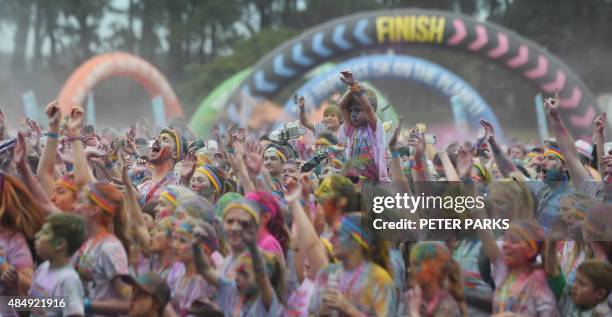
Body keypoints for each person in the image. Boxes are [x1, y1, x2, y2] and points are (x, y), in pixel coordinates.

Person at [308, 214, 397, 316]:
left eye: (337, 234)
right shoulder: (326, 273)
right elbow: (311, 313)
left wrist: (347, 309)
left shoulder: (380, 280)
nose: (330, 240)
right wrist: (321, 313)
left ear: (356, 242)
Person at [29, 213, 87, 317]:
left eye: (45, 233)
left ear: (59, 244)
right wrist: (13, 288)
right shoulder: (43, 268)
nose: (37, 236)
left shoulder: (68, 280)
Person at [336, 70, 389, 182]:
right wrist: (351, 89)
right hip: (356, 180)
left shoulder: (374, 129)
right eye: (351, 111)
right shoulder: (352, 130)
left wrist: (356, 88)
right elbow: (342, 106)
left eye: (357, 110)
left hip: (376, 182)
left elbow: (367, 108)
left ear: (373, 111)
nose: (353, 114)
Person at [405, 242, 464, 317]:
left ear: (434, 270)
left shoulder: (447, 306)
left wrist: (414, 311)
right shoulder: (411, 298)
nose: (409, 269)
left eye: (416, 264)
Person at [138, 127, 187, 204]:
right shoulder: (140, 188)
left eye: (165, 140)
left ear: (175, 154)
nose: (156, 140)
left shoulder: (177, 189)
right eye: (158, 138)